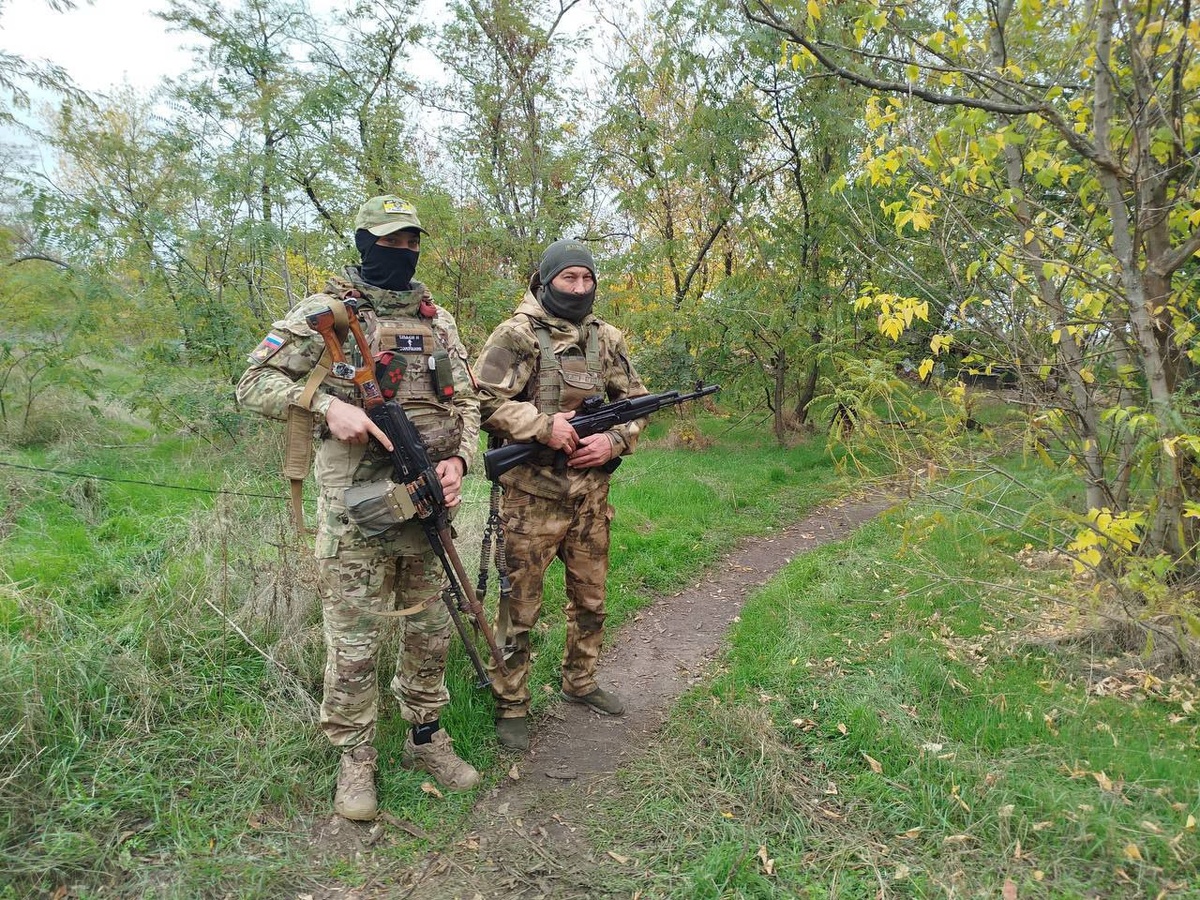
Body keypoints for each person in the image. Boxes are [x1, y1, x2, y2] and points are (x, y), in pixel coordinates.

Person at [236, 195, 482, 821]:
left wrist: (459, 462)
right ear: (363, 242)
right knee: (354, 643)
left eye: (410, 242)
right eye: (389, 241)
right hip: (357, 515)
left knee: (430, 631)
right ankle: (355, 757)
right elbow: (251, 384)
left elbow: (469, 406)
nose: (401, 252)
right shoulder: (326, 313)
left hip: (428, 504)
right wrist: (326, 407)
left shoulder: (441, 320)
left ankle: (426, 737)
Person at [473, 239, 648, 751]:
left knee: (591, 599)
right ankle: (511, 703)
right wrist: (543, 425)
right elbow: (482, 399)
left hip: (591, 497)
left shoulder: (606, 338)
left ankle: (580, 681)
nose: (578, 288)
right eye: (568, 279)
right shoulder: (516, 335)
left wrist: (614, 440)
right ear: (544, 280)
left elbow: (635, 402)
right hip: (530, 498)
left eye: (586, 279)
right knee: (517, 608)